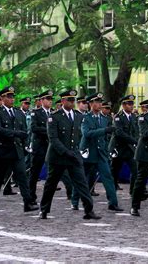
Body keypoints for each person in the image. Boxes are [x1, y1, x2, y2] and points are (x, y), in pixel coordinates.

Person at [39, 89, 101, 220]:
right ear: (62, 101)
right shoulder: (54, 117)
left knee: (82, 183)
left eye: (73, 100)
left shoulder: (78, 116)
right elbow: (53, 139)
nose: (72, 102)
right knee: (51, 184)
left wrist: (77, 151)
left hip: (73, 156)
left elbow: (78, 136)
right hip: (58, 157)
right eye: (69, 100)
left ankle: (89, 210)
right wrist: (66, 152)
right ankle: (44, 209)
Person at [0, 86, 38, 213]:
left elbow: (24, 131)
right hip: (1, 150)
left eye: (12, 97)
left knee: (22, 176)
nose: (11, 99)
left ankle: (28, 202)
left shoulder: (19, 113)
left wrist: (25, 144)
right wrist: (16, 134)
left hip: (16, 150)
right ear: (2, 98)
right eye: (9, 97)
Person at [71, 93, 122, 211]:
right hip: (88, 152)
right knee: (82, 178)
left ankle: (113, 203)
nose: (99, 105)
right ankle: (74, 201)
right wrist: (104, 130)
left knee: (108, 177)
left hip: (101, 153)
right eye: (97, 102)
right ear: (90, 104)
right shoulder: (85, 118)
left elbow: (105, 138)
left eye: (100, 102)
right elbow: (87, 133)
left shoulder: (104, 118)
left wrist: (108, 150)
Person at [109, 95, 139, 195]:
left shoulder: (134, 117)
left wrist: (137, 140)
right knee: (115, 170)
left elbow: (136, 131)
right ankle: (112, 189)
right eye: (129, 104)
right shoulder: (118, 117)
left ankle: (133, 191)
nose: (131, 106)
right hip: (119, 148)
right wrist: (134, 141)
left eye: (132, 104)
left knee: (135, 170)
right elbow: (119, 133)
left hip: (130, 149)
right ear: (123, 105)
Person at [29, 90, 54, 204]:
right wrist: (49, 131)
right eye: (47, 99)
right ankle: (31, 196)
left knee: (55, 171)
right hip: (39, 146)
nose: (50, 101)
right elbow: (34, 128)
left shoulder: (54, 113)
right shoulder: (36, 113)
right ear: (42, 100)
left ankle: (67, 193)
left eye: (51, 99)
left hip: (50, 146)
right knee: (35, 172)